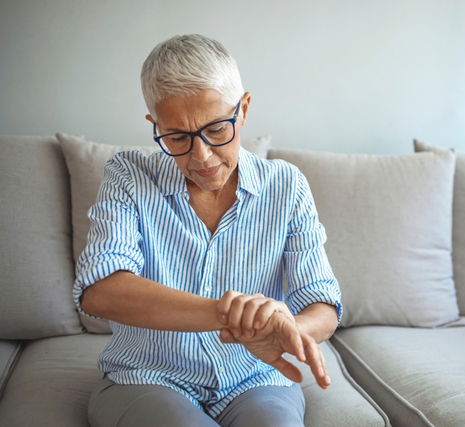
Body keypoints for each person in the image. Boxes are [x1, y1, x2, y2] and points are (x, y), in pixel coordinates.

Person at [74, 34, 342, 427]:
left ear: (244, 109)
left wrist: (285, 331)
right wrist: (226, 314)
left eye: (217, 129)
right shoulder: (128, 175)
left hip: (257, 379)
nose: (201, 157)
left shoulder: (287, 185)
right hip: (148, 377)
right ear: (155, 126)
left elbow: (323, 303)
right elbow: (100, 290)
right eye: (178, 137)